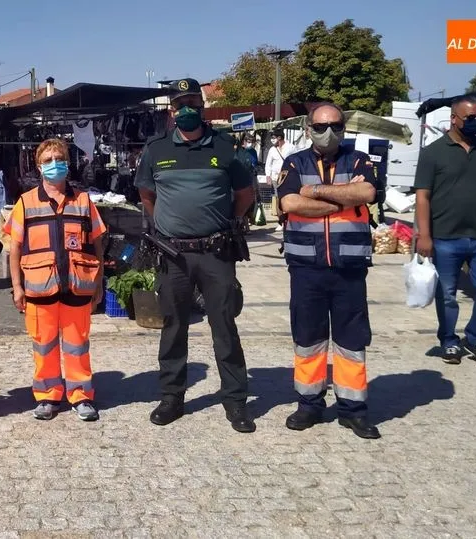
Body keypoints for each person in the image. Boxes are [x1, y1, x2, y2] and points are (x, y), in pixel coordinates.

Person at [133, 78, 256, 433]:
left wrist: (229, 221)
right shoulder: (156, 149)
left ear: (202, 107)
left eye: (192, 103)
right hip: (174, 254)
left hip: (216, 252)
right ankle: (172, 396)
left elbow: (245, 193)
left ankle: (235, 400)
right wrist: (167, 224)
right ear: (171, 111)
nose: (186, 110)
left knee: (224, 325)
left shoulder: (224, 145)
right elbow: (147, 194)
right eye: (179, 104)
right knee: (173, 325)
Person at [277, 102, 381, 439]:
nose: (328, 132)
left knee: (351, 340)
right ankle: (309, 404)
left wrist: (317, 192)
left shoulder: (359, 159)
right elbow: (289, 202)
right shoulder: (295, 162)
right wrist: (343, 199)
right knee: (308, 338)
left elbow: (367, 192)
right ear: (309, 129)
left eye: (335, 125)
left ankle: (353, 409)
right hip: (306, 266)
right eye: (321, 127)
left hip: (349, 266)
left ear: (344, 128)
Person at [4, 139, 107, 421]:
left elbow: (97, 243)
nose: (54, 164)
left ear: (67, 162)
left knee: (77, 346)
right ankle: (48, 396)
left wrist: (98, 282)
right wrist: (16, 287)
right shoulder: (25, 203)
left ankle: (81, 395)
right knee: (44, 345)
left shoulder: (83, 201)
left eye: (58, 158)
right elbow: (14, 250)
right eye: (48, 160)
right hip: (39, 289)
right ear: (39, 167)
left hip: (76, 286)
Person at [415, 95, 476, 367]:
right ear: (453, 119)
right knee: (447, 294)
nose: (475, 122)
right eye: (470, 117)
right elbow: (423, 197)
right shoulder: (433, 153)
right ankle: (449, 340)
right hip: (445, 237)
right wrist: (424, 234)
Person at [265, 128, 295, 231]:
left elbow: (296, 160)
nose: (272, 140)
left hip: (288, 177)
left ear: (279, 138)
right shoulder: (272, 150)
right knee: (278, 200)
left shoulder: (291, 147)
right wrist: (268, 176)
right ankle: (281, 222)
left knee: (288, 198)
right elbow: (268, 164)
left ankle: (289, 220)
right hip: (275, 178)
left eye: (273, 138)